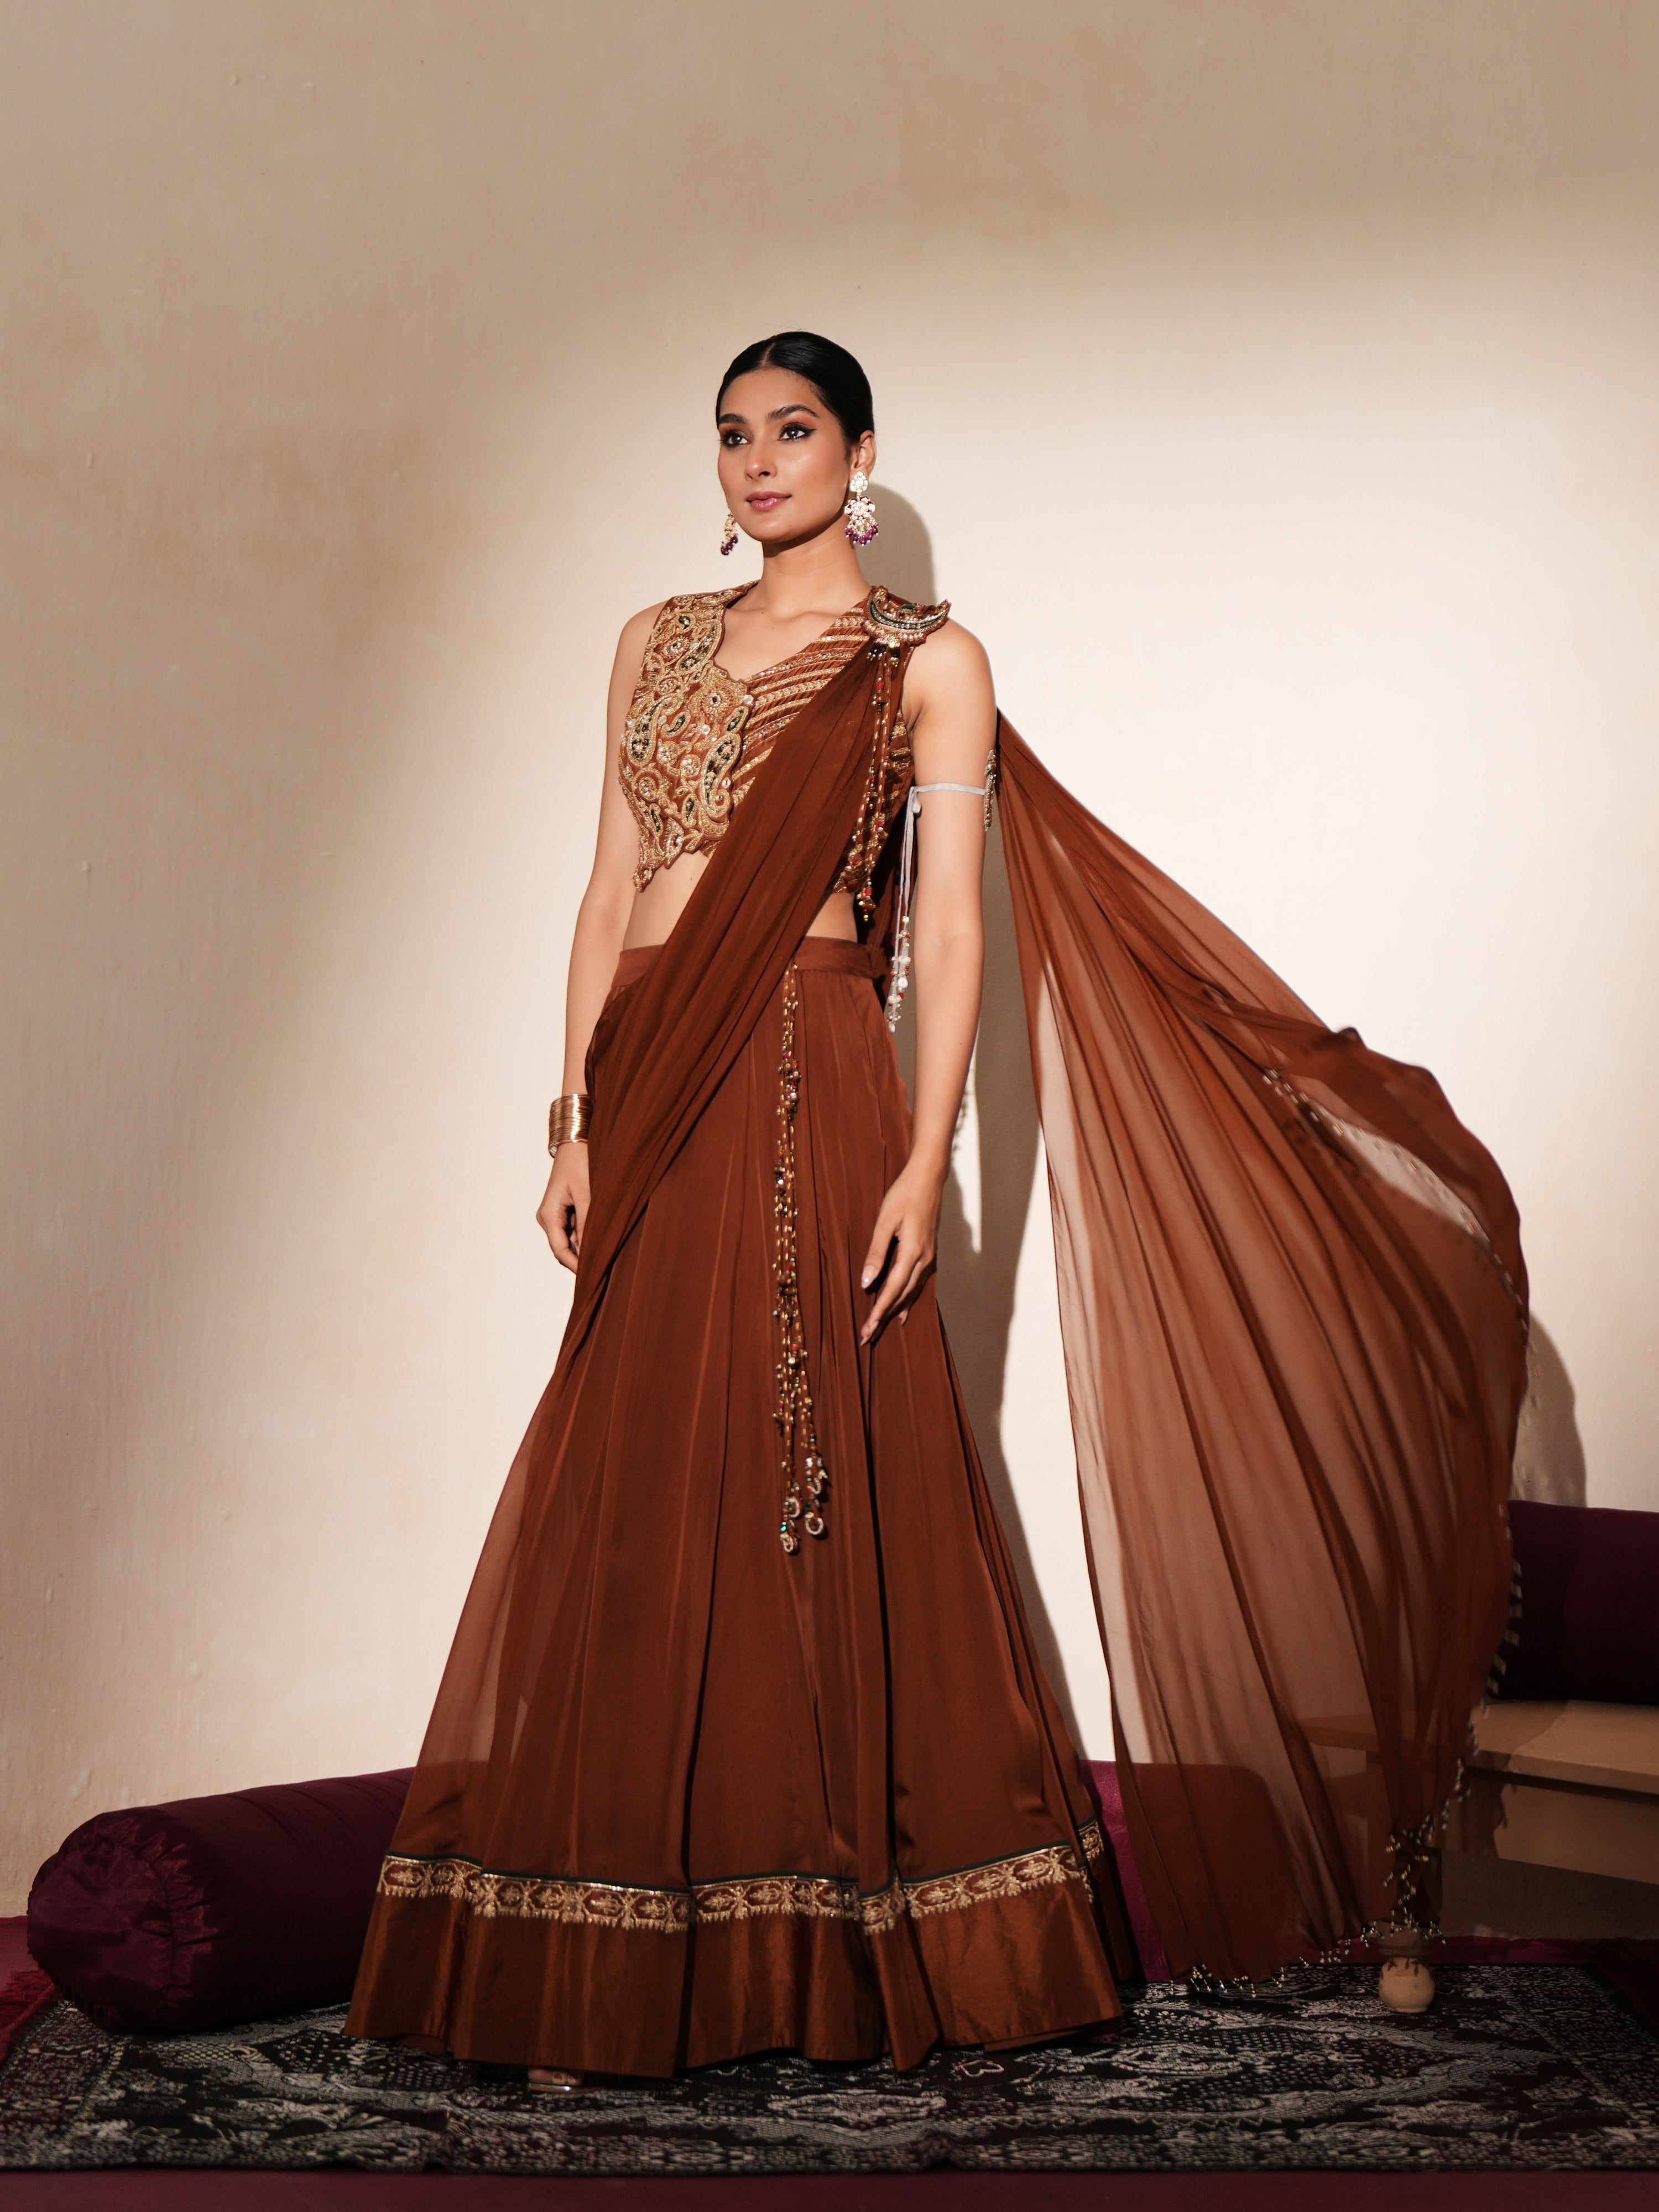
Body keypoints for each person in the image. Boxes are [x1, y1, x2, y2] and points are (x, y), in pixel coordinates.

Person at [348, 333, 1528, 2084]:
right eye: (733, 435)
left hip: (810, 1066)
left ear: (861, 452)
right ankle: (616, 1932)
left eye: (793, 429)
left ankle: (830, 1930)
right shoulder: (651, 641)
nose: (759, 461)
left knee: (811, 1457)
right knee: (643, 1462)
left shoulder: (929, 663)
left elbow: (956, 928)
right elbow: (604, 892)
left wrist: (921, 1161)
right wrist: (572, 1124)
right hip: (652, 1072)